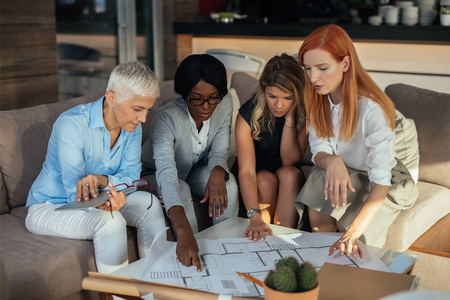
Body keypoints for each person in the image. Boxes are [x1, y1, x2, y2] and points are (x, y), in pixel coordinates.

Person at [25, 61, 166, 274]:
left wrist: (104, 181)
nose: (143, 118)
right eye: (137, 109)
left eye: (147, 109)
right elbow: (76, 195)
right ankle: (121, 296)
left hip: (98, 196)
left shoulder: (132, 127)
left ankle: (160, 283)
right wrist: (109, 197)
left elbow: (131, 176)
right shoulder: (71, 125)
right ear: (112, 98)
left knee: (149, 203)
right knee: (111, 222)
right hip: (50, 206)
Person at [295, 24, 418, 258]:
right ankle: (323, 266)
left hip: (388, 180)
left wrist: (352, 233)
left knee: (354, 239)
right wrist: (332, 160)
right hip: (349, 170)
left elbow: (380, 183)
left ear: (346, 64)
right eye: (308, 68)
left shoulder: (373, 109)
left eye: (322, 68)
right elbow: (319, 149)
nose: (313, 78)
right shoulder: (317, 97)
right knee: (317, 179)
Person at [141, 54, 239, 272]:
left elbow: (219, 150)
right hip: (152, 174)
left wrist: (217, 170)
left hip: (191, 169)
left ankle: (229, 249)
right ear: (185, 95)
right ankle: (193, 253)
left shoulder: (224, 104)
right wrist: (184, 230)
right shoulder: (167, 119)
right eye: (197, 98)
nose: (206, 106)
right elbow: (166, 173)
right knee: (181, 187)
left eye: (213, 97)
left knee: (228, 181)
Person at [233, 54, 308, 242]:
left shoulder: (304, 113)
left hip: (286, 175)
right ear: (263, 90)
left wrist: (290, 120)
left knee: (289, 173)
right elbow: (247, 172)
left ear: (297, 95)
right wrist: (254, 216)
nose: (279, 105)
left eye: (287, 98)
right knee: (265, 178)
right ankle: (264, 239)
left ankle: (284, 240)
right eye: (272, 96)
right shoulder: (247, 114)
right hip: (255, 178)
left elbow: (290, 160)